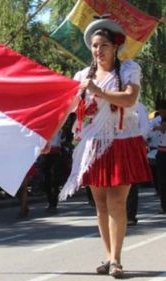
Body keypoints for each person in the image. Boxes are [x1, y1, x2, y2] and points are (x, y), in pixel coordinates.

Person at [58, 17, 152, 278]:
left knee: (117, 202)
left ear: (115, 47)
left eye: (104, 46)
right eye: (95, 46)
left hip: (121, 142)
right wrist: (46, 136)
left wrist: (98, 91)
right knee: (100, 204)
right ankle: (108, 256)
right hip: (94, 144)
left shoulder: (128, 70)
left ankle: (116, 259)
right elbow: (66, 109)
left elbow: (130, 98)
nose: (98, 50)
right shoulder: (81, 76)